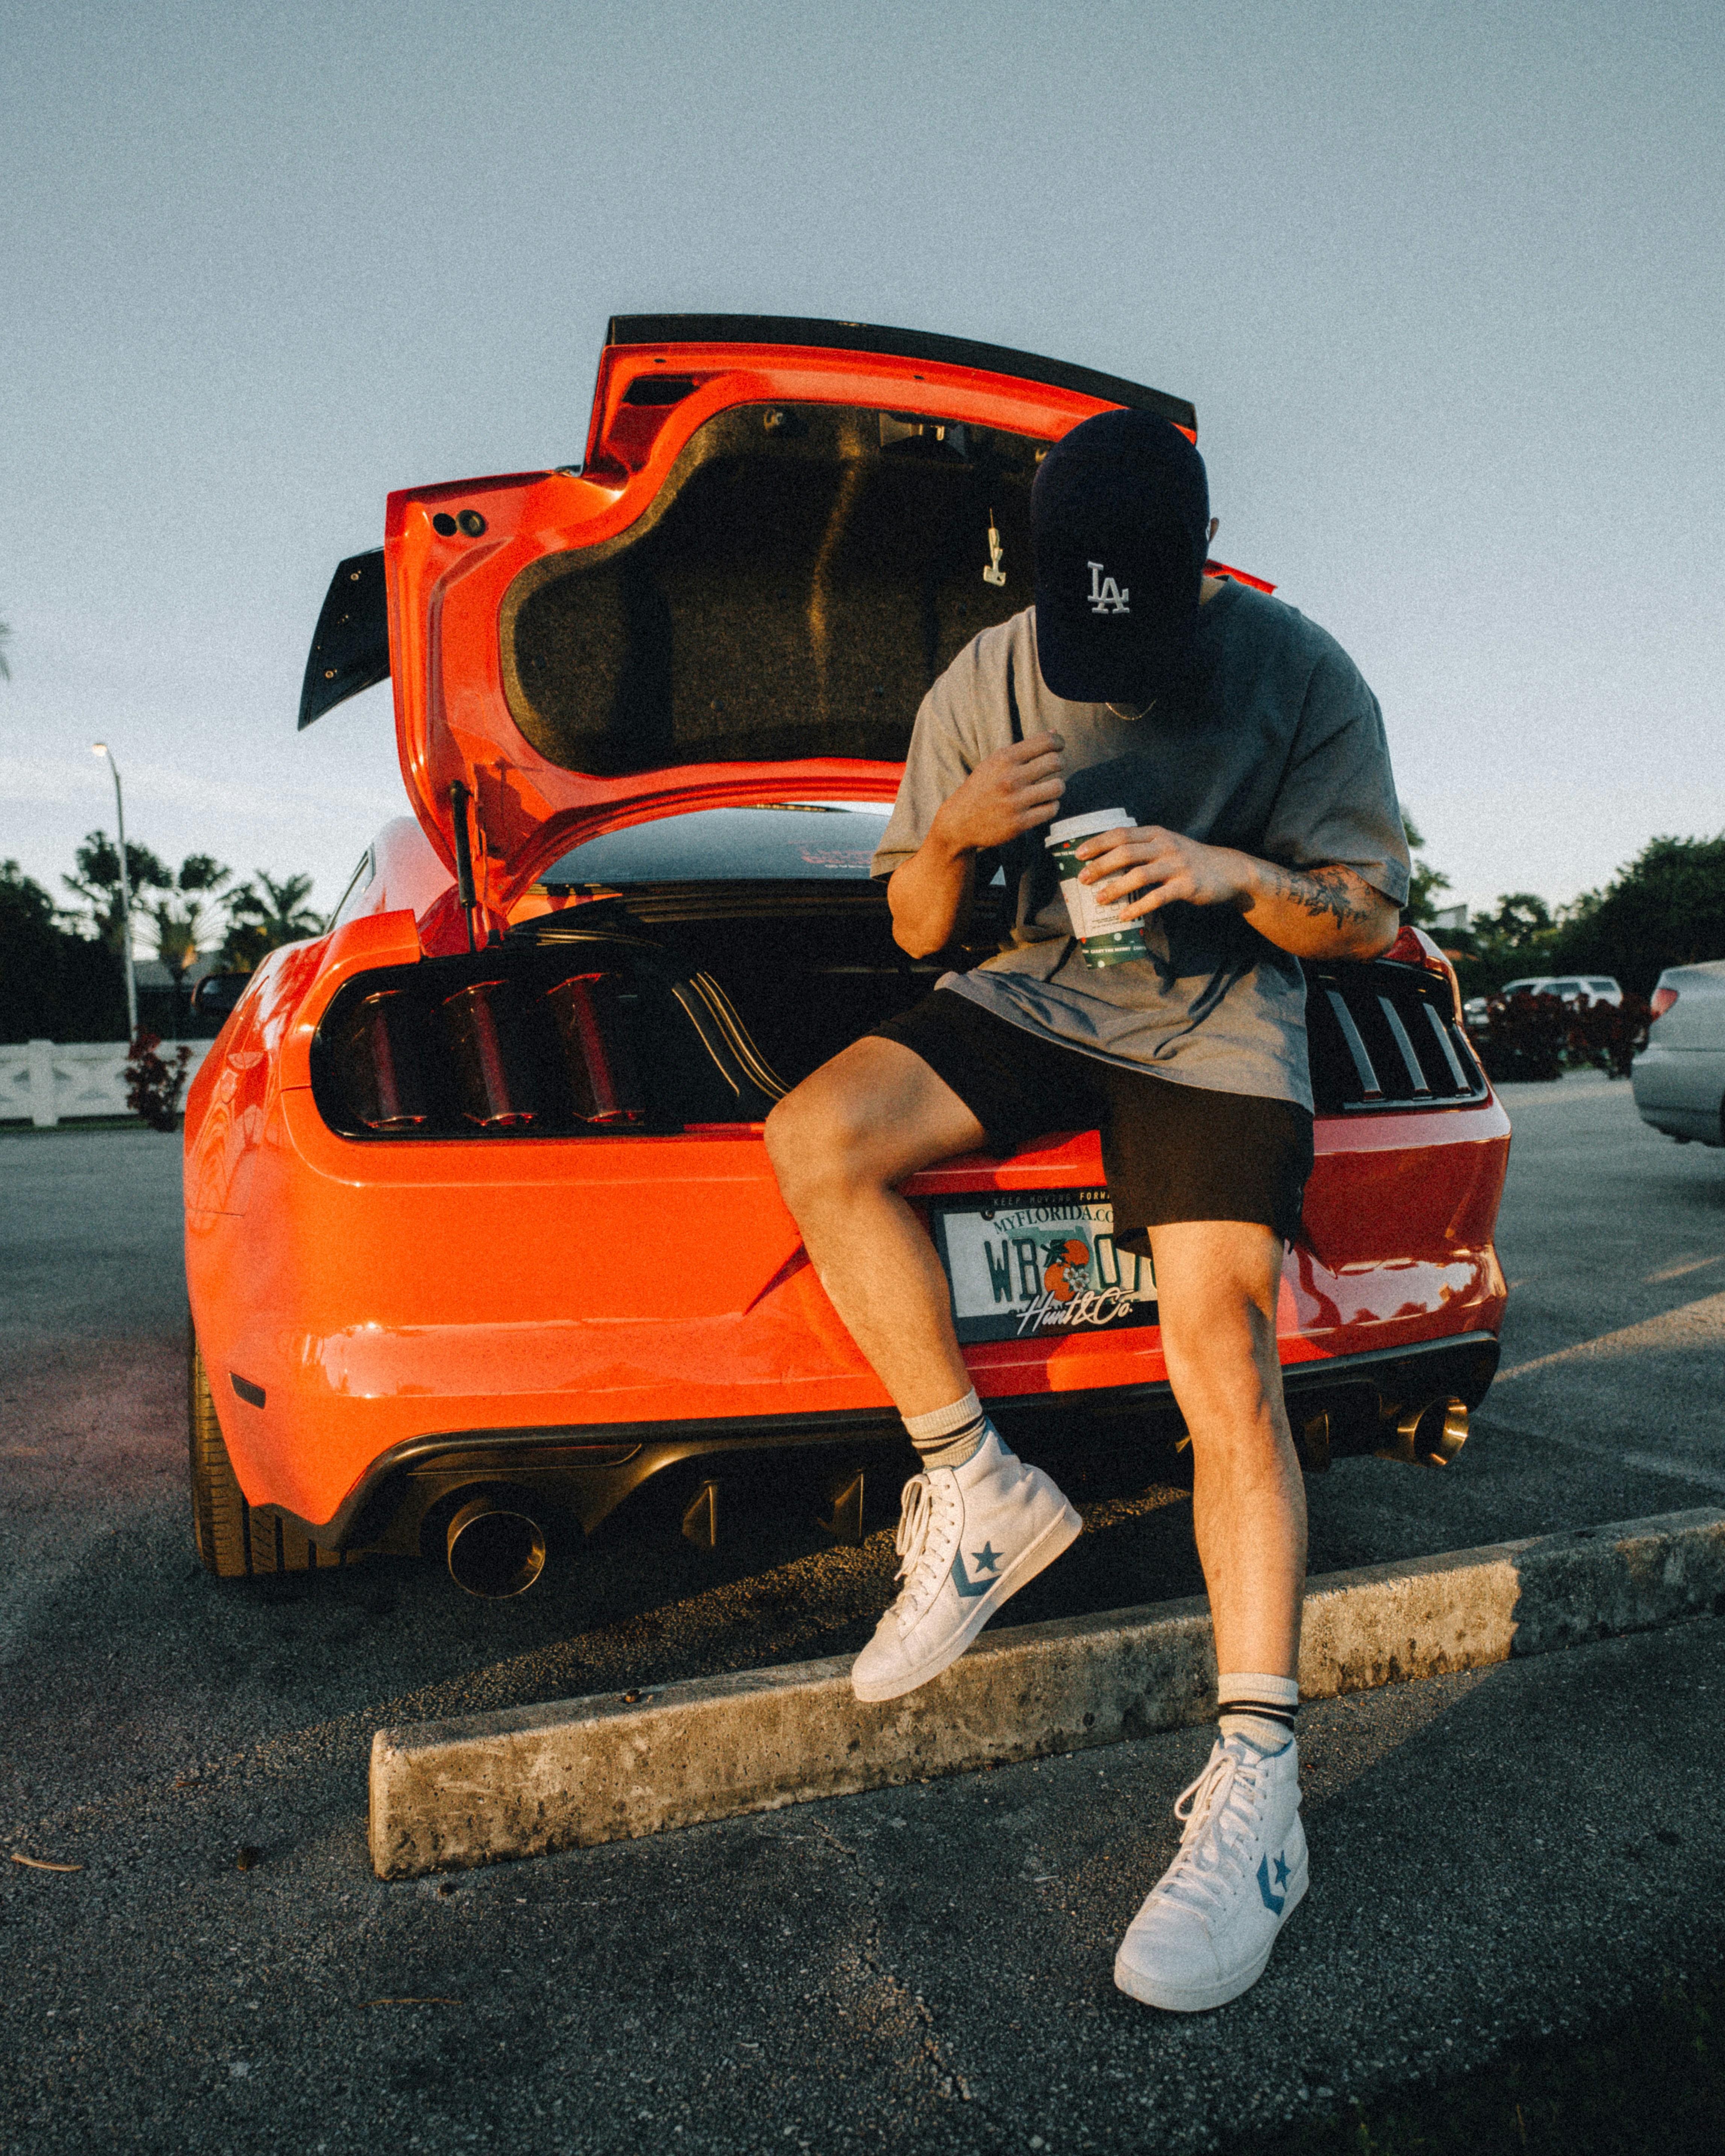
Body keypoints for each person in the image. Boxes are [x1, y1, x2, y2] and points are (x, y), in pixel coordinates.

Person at [763, 407, 1408, 2012]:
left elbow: (1363, 919)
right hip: (1043, 992)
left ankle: (1257, 1788)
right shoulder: (979, 677)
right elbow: (917, 920)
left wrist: (1218, 871)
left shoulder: (1301, 672)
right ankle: (975, 1487)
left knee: (1220, 1348)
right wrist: (964, 836)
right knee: (818, 1134)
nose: (1102, 654)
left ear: (1197, 559)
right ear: (1033, 569)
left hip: (1222, 1023)